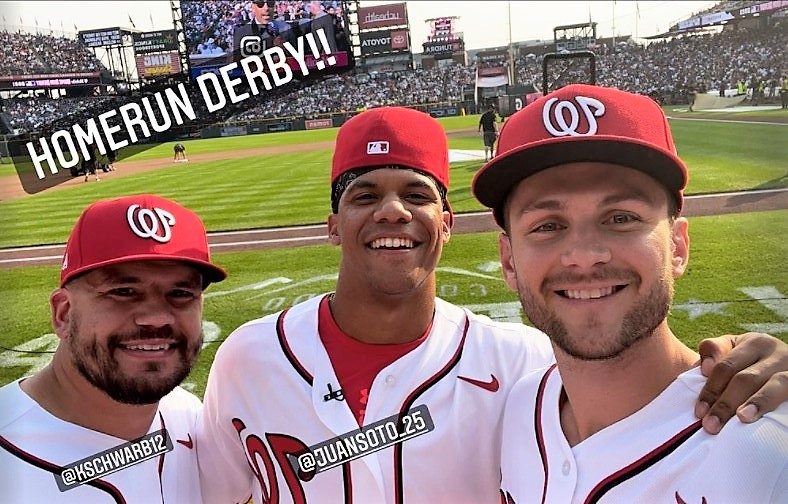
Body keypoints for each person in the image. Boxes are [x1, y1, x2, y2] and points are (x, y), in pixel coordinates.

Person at [197, 106, 788, 504]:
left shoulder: (522, 366)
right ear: (331, 225)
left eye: (621, 217)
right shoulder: (246, 358)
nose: (392, 213)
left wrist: (765, 365)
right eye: (364, 194)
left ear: (448, 224)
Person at [471, 84, 788, 503]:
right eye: (547, 225)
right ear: (509, 261)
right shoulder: (518, 407)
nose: (584, 255)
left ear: (677, 246)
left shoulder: (769, 453)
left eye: (621, 217)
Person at [0, 194, 226, 502]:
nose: (156, 317)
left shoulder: (188, 416)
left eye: (180, 292)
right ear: (63, 314)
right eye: (123, 291)